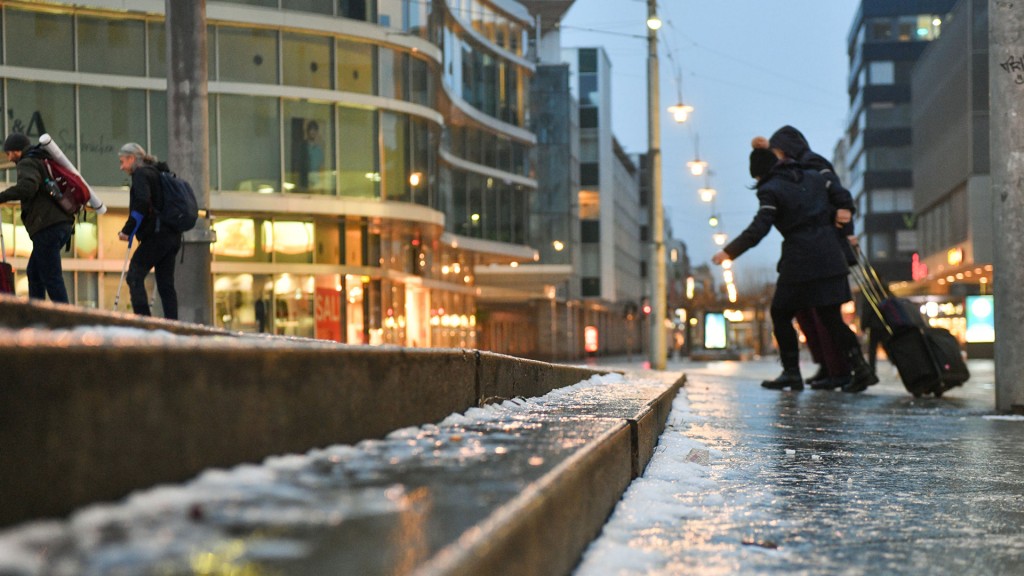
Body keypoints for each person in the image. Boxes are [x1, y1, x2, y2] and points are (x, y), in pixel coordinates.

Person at [712, 145, 878, 393]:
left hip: (801, 260)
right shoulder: (813, 176)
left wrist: (729, 252)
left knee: (780, 313)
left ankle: (791, 373)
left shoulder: (770, 189)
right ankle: (861, 369)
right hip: (831, 255)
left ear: (760, 173)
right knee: (831, 318)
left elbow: (760, 227)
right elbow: (840, 199)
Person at [0, 133, 74, 303]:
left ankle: (65, 319)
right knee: (35, 272)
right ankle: (37, 312)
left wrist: (2, 196)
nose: (9, 158)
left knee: (51, 277)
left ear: (17, 150)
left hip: (47, 226)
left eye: (10, 153)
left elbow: (27, 187)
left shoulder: (27, 162)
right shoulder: (42, 159)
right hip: (61, 224)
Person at [117, 142, 181, 319]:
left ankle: (143, 322)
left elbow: (142, 203)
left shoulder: (141, 174)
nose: (121, 167)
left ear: (132, 158)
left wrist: (127, 230)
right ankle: (173, 326)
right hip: (173, 235)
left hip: (157, 236)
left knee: (135, 274)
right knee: (166, 284)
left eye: (123, 161)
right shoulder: (159, 172)